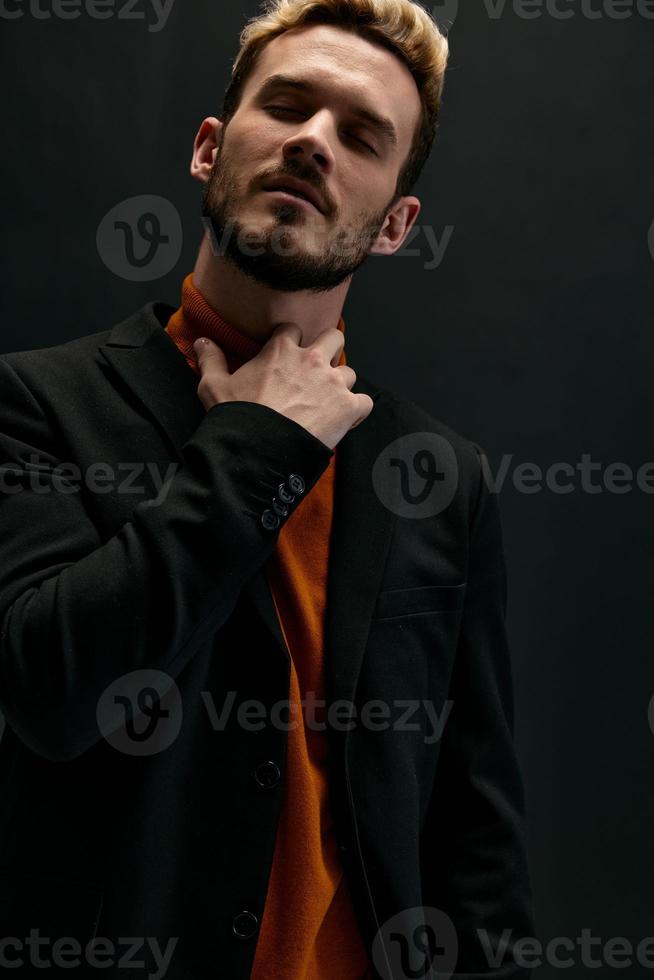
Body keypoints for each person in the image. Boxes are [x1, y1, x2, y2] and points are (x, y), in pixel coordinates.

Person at [0, 0, 536, 977]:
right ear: (209, 149)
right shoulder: (33, 403)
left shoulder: (438, 478)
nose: (312, 142)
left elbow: (477, 835)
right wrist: (259, 440)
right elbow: (53, 692)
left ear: (396, 224)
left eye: (361, 135)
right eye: (286, 106)